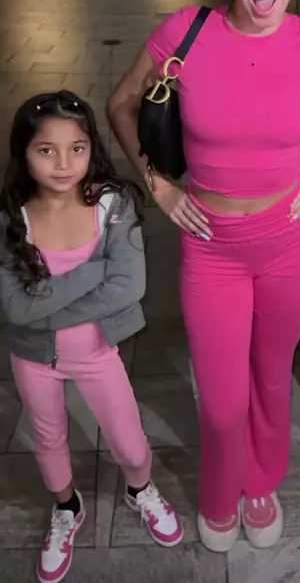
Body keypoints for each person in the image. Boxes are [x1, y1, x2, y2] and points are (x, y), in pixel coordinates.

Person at [107, 0, 300, 552]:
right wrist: (160, 186)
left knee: (271, 378)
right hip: (212, 247)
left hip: (292, 242)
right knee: (222, 402)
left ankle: (259, 483)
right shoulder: (185, 32)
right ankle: (220, 491)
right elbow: (121, 104)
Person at [0, 91, 183, 583]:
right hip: (33, 357)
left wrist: (43, 306)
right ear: (23, 153)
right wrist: (94, 271)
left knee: (130, 441)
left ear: (91, 149)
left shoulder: (112, 205)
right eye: (46, 150)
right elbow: (15, 306)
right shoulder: (12, 217)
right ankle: (66, 507)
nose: (63, 163)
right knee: (48, 437)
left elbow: (129, 287)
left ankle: (139, 489)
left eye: (76, 149)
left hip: (98, 351)